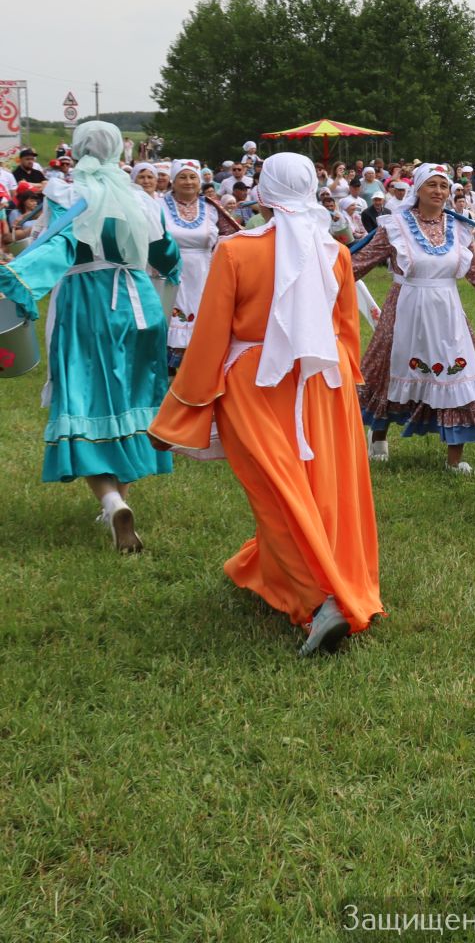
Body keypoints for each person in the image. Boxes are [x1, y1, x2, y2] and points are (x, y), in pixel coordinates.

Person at [149, 152, 383, 655]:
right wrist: (343, 382)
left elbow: (211, 333)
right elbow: (345, 332)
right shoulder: (335, 252)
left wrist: (185, 405)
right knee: (320, 486)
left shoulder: (236, 251)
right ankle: (281, 573)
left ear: (263, 191)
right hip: (325, 379)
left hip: (257, 380)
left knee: (274, 489)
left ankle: (321, 599)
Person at [0, 122, 179, 552]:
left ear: (77, 150)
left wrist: (16, 284)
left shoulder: (66, 194)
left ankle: (111, 500)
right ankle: (116, 502)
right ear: (119, 150)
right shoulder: (141, 198)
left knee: (86, 397)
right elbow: (167, 256)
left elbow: (54, 247)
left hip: (88, 303)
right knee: (131, 399)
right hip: (140, 305)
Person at [351, 163, 475, 473]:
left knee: (455, 375)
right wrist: (318, 273)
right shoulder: (394, 225)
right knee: (388, 372)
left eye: (444, 186)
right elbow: (357, 263)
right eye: (432, 185)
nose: (438, 191)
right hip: (405, 308)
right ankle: (379, 437)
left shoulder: (460, 227)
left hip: (447, 313)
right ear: (417, 190)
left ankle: (454, 459)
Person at [159, 159, 242, 369]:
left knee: (204, 318)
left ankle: (199, 368)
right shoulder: (158, 206)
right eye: (183, 177)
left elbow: (232, 236)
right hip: (169, 272)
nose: (188, 182)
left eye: (192, 177)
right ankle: (172, 369)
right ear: (173, 180)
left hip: (205, 271)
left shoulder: (211, 207)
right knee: (173, 317)